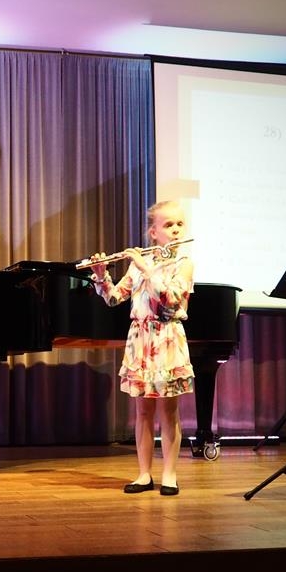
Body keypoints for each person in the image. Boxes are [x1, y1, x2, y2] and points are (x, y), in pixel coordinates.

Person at [88, 200, 195, 496]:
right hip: (141, 340)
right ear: (153, 232)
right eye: (168, 225)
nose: (175, 230)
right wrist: (101, 274)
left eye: (179, 224)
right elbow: (113, 298)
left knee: (168, 412)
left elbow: (171, 300)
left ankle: (170, 475)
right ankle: (144, 474)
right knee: (143, 412)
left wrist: (147, 269)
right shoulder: (139, 264)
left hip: (167, 337)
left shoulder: (184, 263)